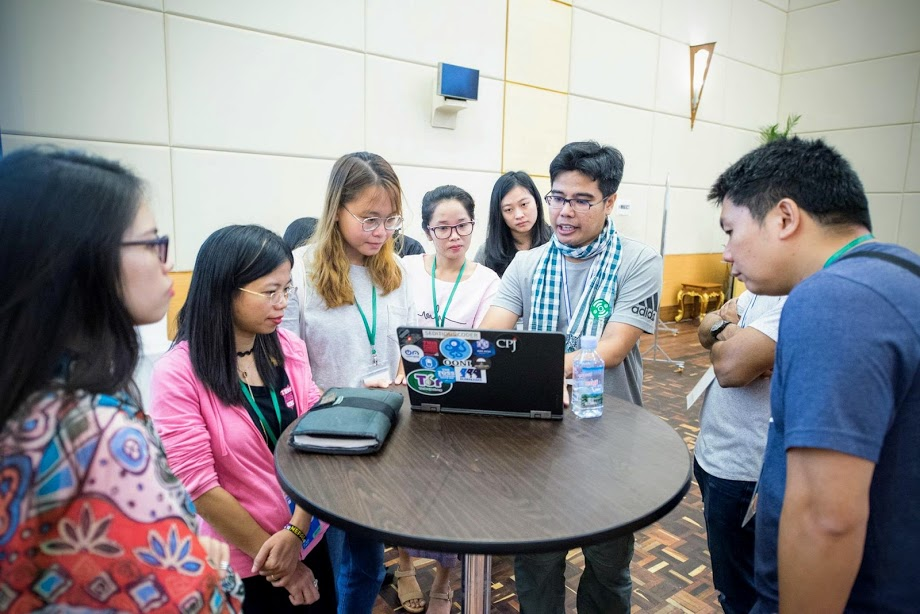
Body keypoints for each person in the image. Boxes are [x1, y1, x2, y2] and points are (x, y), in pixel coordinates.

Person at [0, 148, 243, 612]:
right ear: (79, 259)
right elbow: (191, 603)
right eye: (151, 243)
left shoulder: (27, 397)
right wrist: (214, 568)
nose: (164, 261)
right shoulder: (97, 435)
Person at [709, 136, 920, 613]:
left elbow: (827, 517)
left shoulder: (831, 300)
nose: (726, 253)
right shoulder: (897, 272)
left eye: (730, 230)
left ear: (784, 218)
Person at [480, 141, 662, 613]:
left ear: (610, 202)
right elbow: (492, 339)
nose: (564, 211)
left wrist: (527, 356)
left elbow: (612, 349)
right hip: (536, 440)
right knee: (536, 565)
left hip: (609, 437)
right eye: (558, 197)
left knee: (608, 568)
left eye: (582, 200)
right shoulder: (527, 263)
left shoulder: (637, 262)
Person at [150, 225, 336, 612]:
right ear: (224, 291)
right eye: (270, 291)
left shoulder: (288, 348)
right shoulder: (178, 373)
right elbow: (200, 487)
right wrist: (283, 566)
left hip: (309, 535)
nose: (282, 302)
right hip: (246, 560)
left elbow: (318, 438)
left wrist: (297, 532)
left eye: (287, 289)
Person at [282, 151, 414, 614]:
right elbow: (289, 364)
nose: (381, 233)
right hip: (327, 437)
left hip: (384, 432)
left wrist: (402, 377)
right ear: (337, 208)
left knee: (367, 565)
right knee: (335, 562)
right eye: (369, 219)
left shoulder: (395, 271)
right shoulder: (300, 270)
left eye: (391, 220)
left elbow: (407, 349)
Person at [396, 185, 500, 613]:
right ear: (427, 230)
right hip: (405, 392)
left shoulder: (487, 280)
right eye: (443, 227)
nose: (454, 235)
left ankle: (444, 579)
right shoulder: (403, 269)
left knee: (453, 489)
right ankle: (402, 565)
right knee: (404, 485)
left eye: (463, 226)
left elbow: (485, 346)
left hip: (459, 399)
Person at [694, 291, 786, 614]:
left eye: (734, 236)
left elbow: (730, 368)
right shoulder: (760, 288)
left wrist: (730, 338)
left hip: (746, 473)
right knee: (729, 583)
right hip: (714, 456)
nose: (728, 257)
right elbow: (704, 329)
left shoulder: (795, 297)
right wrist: (729, 332)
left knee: (743, 593)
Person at [474, 170, 552, 277]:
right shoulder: (487, 253)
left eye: (524, 204)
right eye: (509, 209)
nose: (519, 215)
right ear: (500, 213)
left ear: (537, 202)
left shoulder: (557, 240)